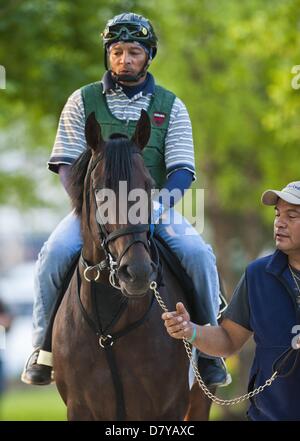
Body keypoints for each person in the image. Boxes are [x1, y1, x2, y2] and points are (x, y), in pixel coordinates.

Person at [21, 12, 230, 388]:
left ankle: (210, 351)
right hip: (94, 210)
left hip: (151, 207)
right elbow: (67, 165)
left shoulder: (172, 105)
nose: (124, 59)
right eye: (117, 51)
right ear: (108, 55)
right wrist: (90, 210)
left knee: (198, 254)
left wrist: (155, 208)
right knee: (52, 254)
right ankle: (43, 347)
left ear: (149, 55)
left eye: (134, 52)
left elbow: (182, 169)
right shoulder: (81, 100)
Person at [162, 180, 300, 421]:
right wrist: (190, 330)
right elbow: (228, 340)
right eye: (278, 214)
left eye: (292, 215)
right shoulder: (258, 275)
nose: (279, 222)